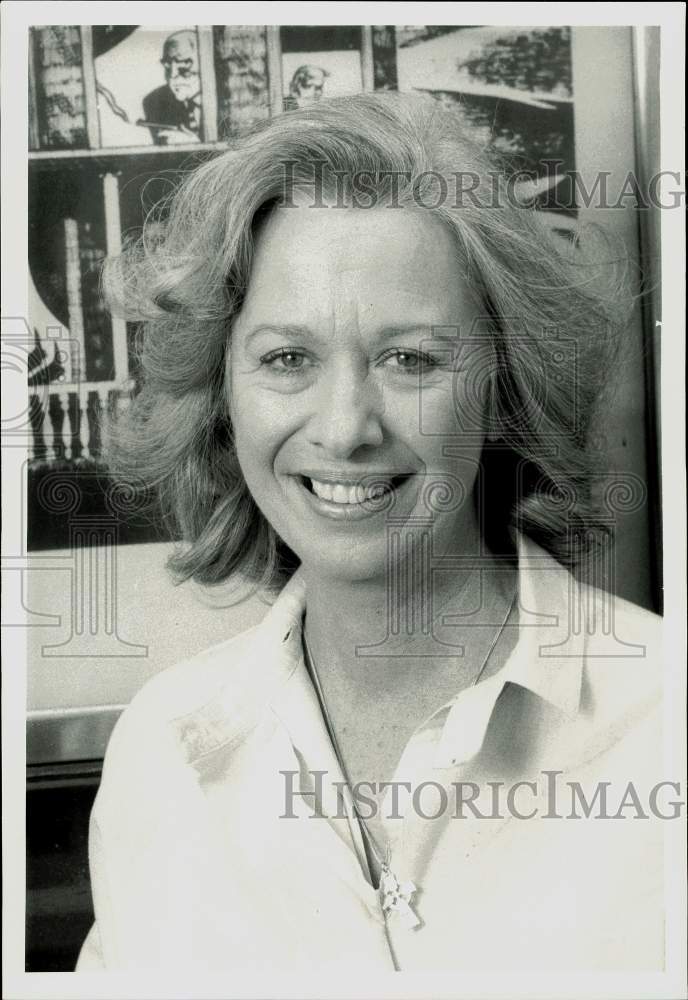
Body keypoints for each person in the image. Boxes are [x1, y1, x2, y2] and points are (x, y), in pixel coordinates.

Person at [77, 93, 665, 975]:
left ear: (502, 393)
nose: (345, 426)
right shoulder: (159, 750)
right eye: (287, 359)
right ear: (220, 392)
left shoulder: (667, 721)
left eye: (410, 359)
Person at [141, 30, 202, 145]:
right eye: (168, 63)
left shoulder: (228, 99)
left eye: (183, 62)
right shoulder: (154, 101)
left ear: (203, 61)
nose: (173, 74)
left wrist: (196, 146)